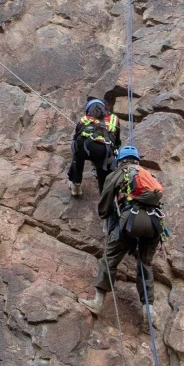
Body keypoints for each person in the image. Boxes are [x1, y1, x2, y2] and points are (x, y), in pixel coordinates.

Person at [79, 146, 165, 322]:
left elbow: (105, 201)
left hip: (130, 221)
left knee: (109, 259)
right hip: (154, 224)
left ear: (120, 161)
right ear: (136, 160)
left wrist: (105, 215)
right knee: (145, 264)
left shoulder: (118, 173)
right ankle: (149, 310)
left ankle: (98, 302)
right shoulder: (148, 175)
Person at [68, 98, 120, 196]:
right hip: (104, 150)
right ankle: (103, 193)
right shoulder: (114, 119)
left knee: (77, 150)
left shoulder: (85, 119)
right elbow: (117, 140)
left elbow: (76, 134)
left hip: (84, 147)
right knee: (104, 164)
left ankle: (76, 184)